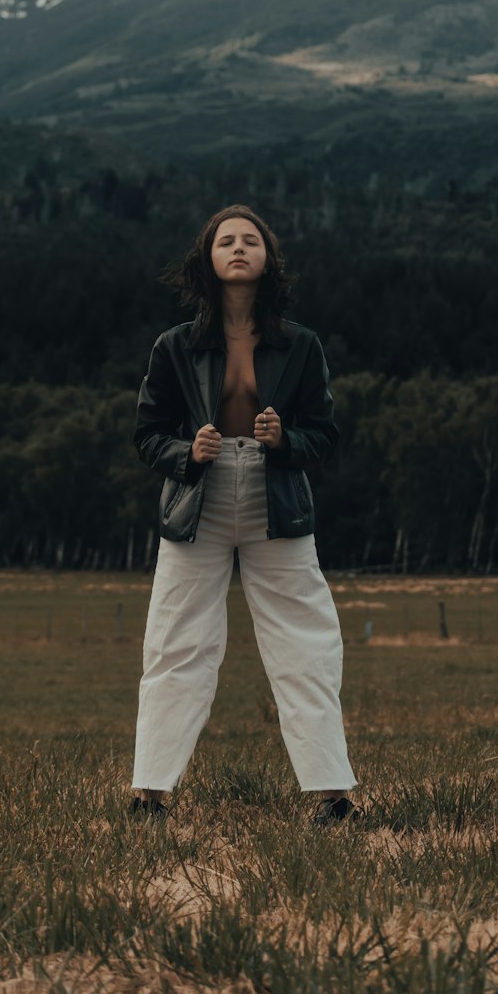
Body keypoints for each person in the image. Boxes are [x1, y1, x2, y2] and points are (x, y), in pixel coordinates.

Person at [131, 203, 356, 824]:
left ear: (266, 258)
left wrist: (285, 439)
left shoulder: (300, 345)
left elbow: (326, 435)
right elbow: (148, 434)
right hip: (196, 503)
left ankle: (333, 797)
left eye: (249, 239)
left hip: (275, 498)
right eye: (225, 240)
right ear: (207, 257)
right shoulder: (174, 347)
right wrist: (187, 451)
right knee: (176, 643)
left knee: (305, 643)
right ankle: (150, 794)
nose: (237, 247)